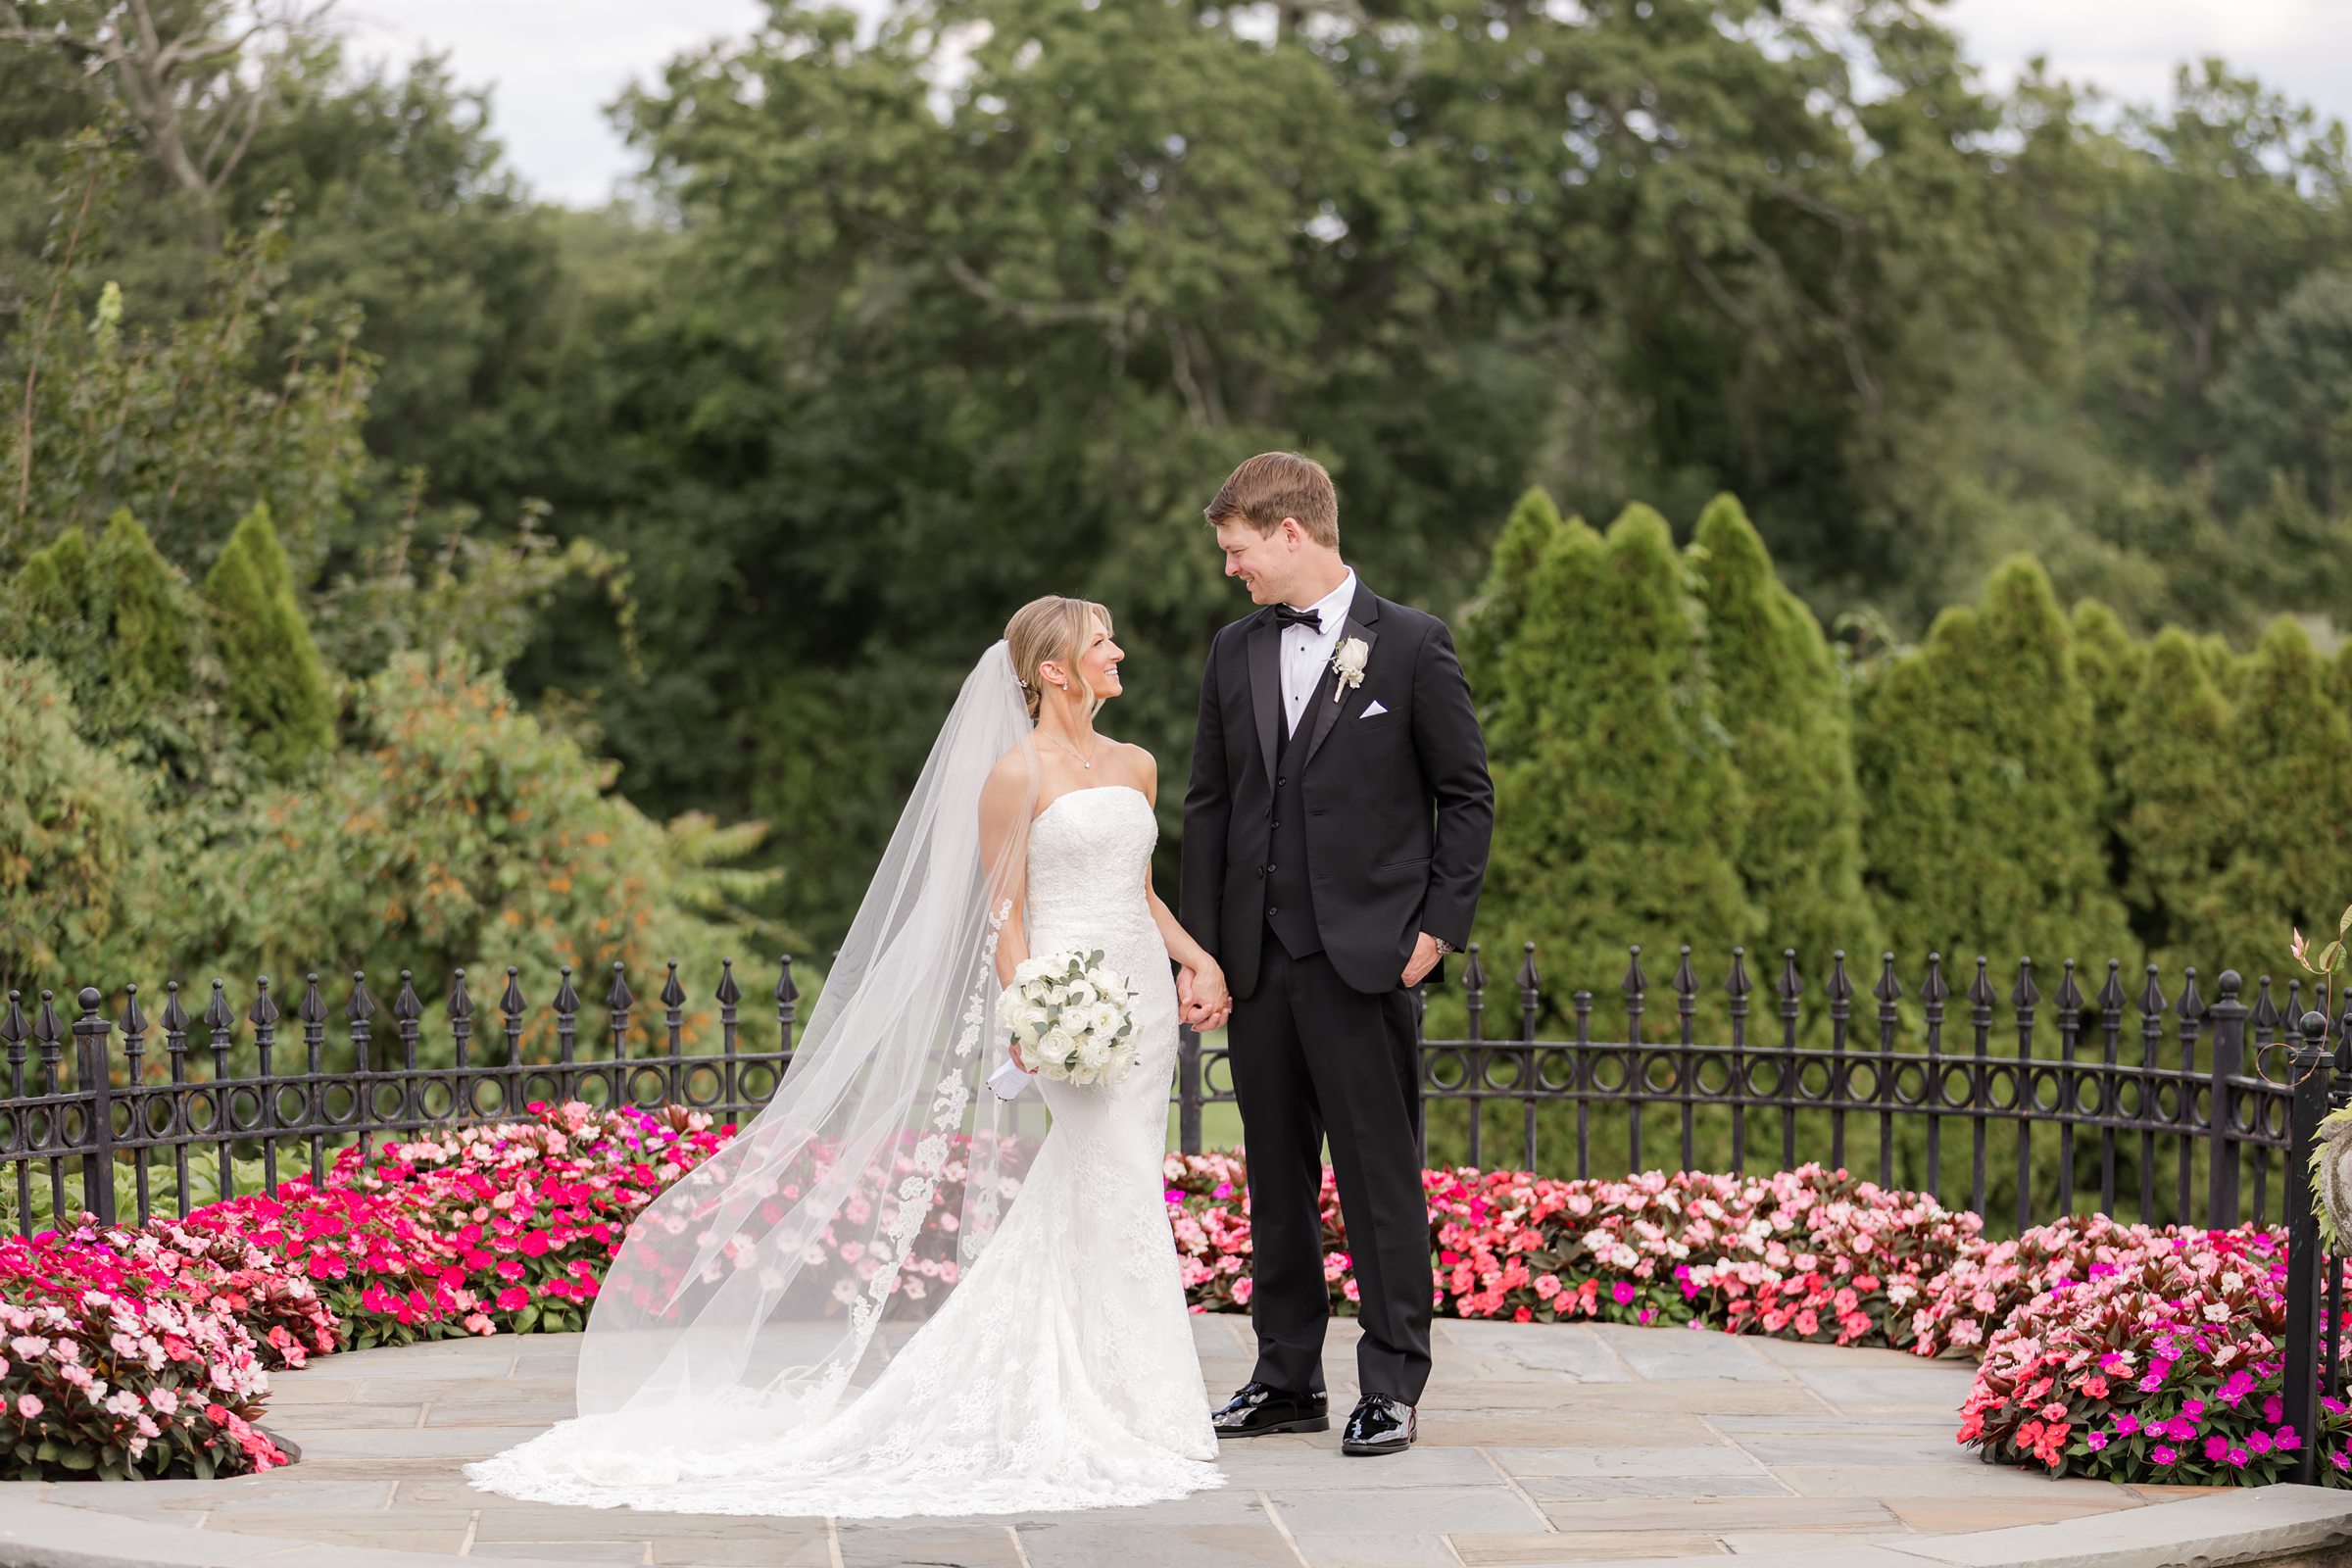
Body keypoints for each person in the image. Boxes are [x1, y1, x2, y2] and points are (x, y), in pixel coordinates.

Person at [465, 597, 1226, 1517]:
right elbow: (1003, 913)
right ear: (1055, 669)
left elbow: (1138, 889)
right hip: (1071, 1005)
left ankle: (1104, 1383)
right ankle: (1147, 1408)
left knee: (1113, 1178)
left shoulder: (1134, 764)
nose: (1118, 651)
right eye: (1099, 641)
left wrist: (1194, 954)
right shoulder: (1014, 776)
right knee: (1115, 1179)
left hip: (1139, 999)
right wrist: (1034, 1012)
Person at [1179, 452, 1494, 1457]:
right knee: (1274, 1179)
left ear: (1290, 532)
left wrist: (1436, 931)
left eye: (1238, 550)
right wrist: (1203, 955)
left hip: (1368, 961)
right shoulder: (1232, 650)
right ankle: (1285, 1379)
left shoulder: (1409, 646)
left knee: (1378, 1180)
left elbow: (1467, 796)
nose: (1233, 570)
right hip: (1259, 964)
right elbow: (1210, 808)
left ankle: (1392, 1385)